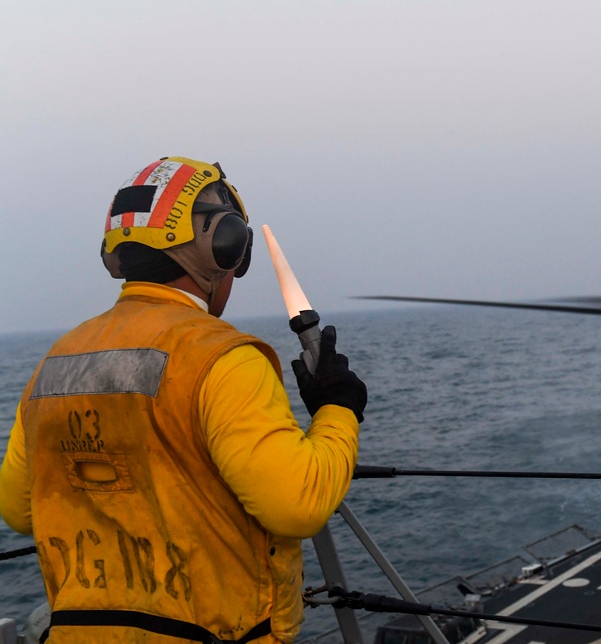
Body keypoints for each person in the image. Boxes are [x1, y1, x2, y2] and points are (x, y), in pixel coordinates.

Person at [0, 156, 367, 643]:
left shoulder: (57, 362)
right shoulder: (221, 357)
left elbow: (19, 510)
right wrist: (337, 407)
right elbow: (297, 505)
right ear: (222, 246)